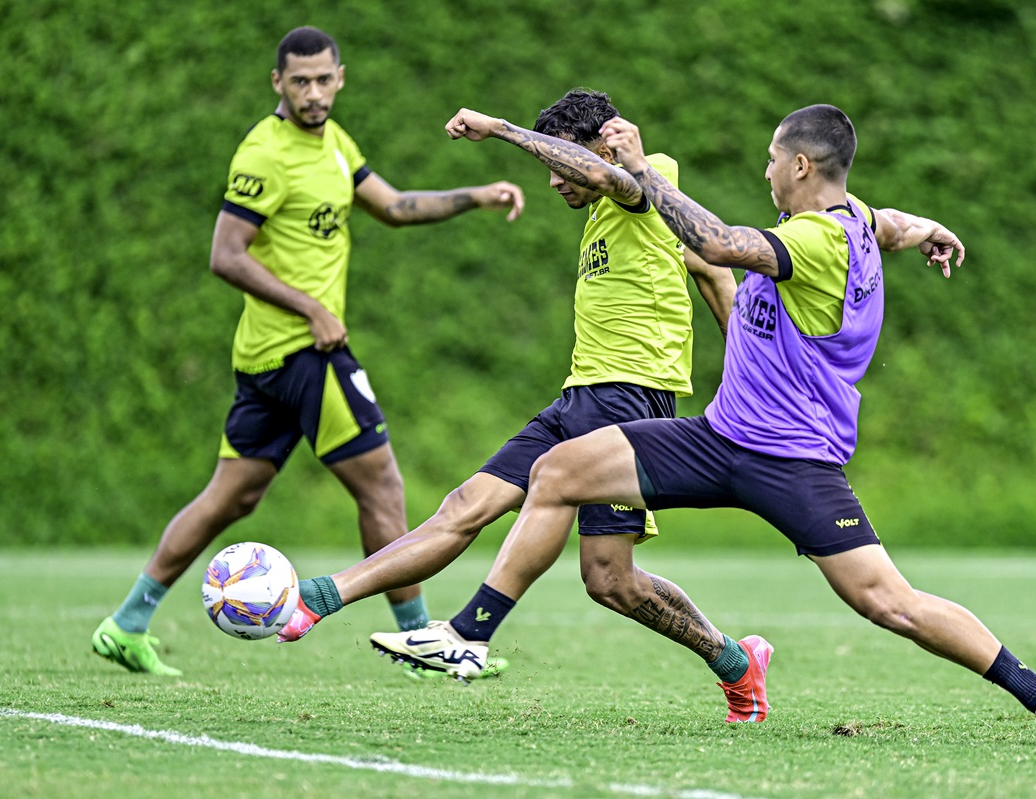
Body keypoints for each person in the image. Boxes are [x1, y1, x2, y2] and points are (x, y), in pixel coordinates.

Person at [368, 105, 1036, 748]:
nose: (766, 172)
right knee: (558, 470)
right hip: (719, 438)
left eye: (773, 160)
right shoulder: (860, 220)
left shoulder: (815, 241)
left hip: (791, 462)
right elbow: (892, 224)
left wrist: (642, 172)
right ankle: (469, 634)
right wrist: (929, 228)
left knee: (890, 603)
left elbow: (717, 244)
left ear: (804, 164)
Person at [90, 26, 525, 676]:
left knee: (229, 497)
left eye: (324, 79)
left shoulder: (334, 143)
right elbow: (225, 255)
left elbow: (396, 207)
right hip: (303, 354)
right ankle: (420, 640)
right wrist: (312, 307)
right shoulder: (264, 153)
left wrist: (477, 196)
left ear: (340, 78)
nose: (314, 92)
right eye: (300, 81)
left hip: (269, 360)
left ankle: (126, 622)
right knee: (383, 488)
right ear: (277, 83)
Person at [274, 89, 741, 667]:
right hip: (581, 395)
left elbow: (616, 181)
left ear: (604, 147)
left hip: (630, 400)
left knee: (592, 554)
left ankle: (470, 633)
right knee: (484, 514)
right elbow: (711, 270)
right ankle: (318, 599)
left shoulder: (648, 177)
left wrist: (498, 128)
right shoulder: (607, 215)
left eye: (558, 164)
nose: (552, 182)